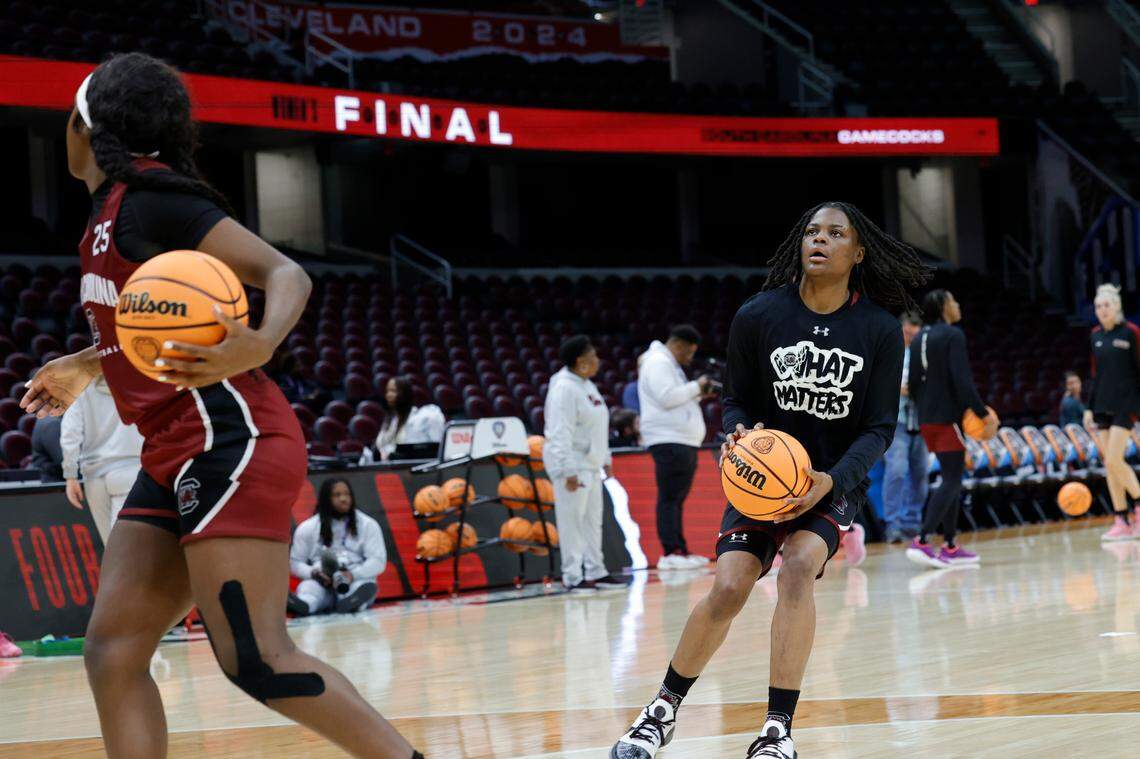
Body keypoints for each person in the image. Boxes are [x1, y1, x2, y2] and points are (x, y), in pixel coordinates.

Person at [20, 54, 422, 759]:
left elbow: (283, 272)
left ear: (88, 129)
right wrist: (87, 363)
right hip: (173, 448)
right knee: (113, 649)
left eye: (68, 119)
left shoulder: (153, 199)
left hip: (230, 438)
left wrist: (259, 342)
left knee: (255, 658)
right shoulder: (107, 217)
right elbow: (152, 330)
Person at [611, 201, 928, 759]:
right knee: (730, 586)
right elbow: (736, 403)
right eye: (811, 232)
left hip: (829, 479)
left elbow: (879, 428)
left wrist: (831, 481)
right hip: (763, 476)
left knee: (799, 569)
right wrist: (736, 436)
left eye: (835, 233)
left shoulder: (878, 329)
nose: (819, 240)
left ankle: (778, 729)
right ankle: (660, 711)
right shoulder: (757, 315)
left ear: (858, 253)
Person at [905, 289, 997, 569]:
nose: (958, 305)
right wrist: (982, 413)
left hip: (926, 420)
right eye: (955, 301)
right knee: (952, 480)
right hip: (947, 419)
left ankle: (950, 545)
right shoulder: (953, 335)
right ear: (945, 306)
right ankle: (922, 540)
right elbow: (962, 380)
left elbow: (914, 385)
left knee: (950, 479)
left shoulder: (920, 336)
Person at [544, 335, 630, 593]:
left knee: (593, 521)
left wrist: (605, 459)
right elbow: (559, 433)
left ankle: (597, 571)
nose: (598, 361)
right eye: (593, 356)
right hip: (572, 464)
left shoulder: (586, 385)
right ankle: (572, 576)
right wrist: (567, 469)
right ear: (581, 361)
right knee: (572, 521)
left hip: (591, 464)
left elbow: (597, 428)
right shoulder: (564, 388)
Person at [637, 325, 714, 569]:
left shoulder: (668, 364)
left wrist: (698, 394)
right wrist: (696, 387)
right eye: (689, 352)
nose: (690, 358)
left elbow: (674, 397)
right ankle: (670, 553)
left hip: (680, 440)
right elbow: (667, 398)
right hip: (669, 440)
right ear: (678, 345)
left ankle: (679, 550)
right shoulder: (658, 362)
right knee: (670, 498)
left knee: (676, 499)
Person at [1082, 284, 1140, 541]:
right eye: (1098, 306)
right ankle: (1121, 519)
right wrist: (1088, 408)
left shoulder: (1131, 333)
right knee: (1109, 464)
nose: (1102, 310)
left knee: (1116, 459)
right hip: (1101, 405)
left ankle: (1138, 506)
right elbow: (1095, 375)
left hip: (1126, 405)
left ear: (1116, 307)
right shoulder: (1094, 336)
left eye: (1106, 305)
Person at [61, 375, 145, 544]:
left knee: (111, 549)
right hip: (129, 471)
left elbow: (70, 434)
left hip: (94, 478)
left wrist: (70, 476)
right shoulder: (138, 379)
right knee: (124, 551)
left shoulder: (80, 385)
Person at [288, 478, 385, 615]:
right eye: (337, 495)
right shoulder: (307, 528)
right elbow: (295, 563)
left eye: (347, 494)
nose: (344, 499)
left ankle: (352, 602)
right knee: (309, 589)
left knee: (362, 586)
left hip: (353, 577)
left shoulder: (368, 524)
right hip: (322, 580)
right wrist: (314, 574)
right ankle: (303, 605)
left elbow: (378, 561)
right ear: (325, 499)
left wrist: (352, 575)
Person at [882, 312, 928, 544]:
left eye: (915, 332)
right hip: (897, 420)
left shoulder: (925, 352)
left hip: (921, 420)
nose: (911, 336)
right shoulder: (889, 351)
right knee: (897, 471)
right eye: (908, 331)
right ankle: (893, 525)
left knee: (920, 474)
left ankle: (913, 523)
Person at [372, 376, 446, 461]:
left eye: (393, 391)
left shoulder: (419, 419)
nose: (388, 395)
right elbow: (380, 445)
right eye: (387, 391)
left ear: (404, 394)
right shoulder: (390, 420)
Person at [30, 414, 63, 481]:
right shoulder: (53, 424)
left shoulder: (51, 419)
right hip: (53, 482)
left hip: (57, 478)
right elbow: (64, 461)